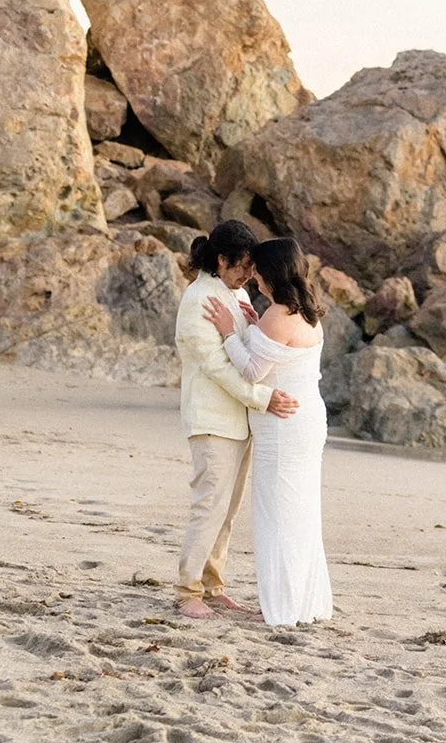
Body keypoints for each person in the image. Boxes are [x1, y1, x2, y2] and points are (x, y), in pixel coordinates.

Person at [203, 236, 333, 628]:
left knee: (277, 516)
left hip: (284, 428)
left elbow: (250, 371)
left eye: (256, 267)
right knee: (301, 512)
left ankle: (280, 607)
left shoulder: (277, 315)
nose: (252, 273)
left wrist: (228, 331)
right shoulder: (307, 312)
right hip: (307, 419)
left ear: (269, 272)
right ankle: (302, 602)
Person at [174, 220, 299, 620]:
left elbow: (247, 355)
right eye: (242, 265)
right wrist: (264, 400)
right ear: (221, 259)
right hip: (212, 421)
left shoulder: (234, 294)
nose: (249, 274)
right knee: (208, 507)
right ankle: (186, 590)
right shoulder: (199, 300)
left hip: (237, 422)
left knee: (226, 511)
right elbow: (217, 368)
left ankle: (212, 586)